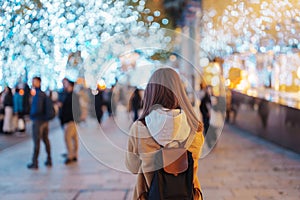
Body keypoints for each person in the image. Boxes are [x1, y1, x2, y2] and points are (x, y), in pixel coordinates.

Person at [125, 68, 204, 200]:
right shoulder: (195, 127)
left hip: (149, 195)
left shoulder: (139, 128)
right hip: (189, 195)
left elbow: (132, 167)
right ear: (180, 91)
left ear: (151, 93)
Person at [27, 77, 52, 169]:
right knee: (45, 140)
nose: (33, 83)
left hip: (38, 120)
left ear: (39, 82)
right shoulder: (43, 94)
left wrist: (32, 115)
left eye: (34, 81)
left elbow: (37, 108)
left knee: (36, 141)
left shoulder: (38, 94)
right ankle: (49, 159)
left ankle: (35, 162)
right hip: (44, 120)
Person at [58, 78, 81, 165]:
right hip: (70, 120)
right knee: (74, 138)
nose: (64, 85)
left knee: (67, 138)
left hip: (70, 120)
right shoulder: (66, 94)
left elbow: (75, 108)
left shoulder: (72, 95)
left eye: (66, 83)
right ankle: (74, 154)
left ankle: (70, 155)